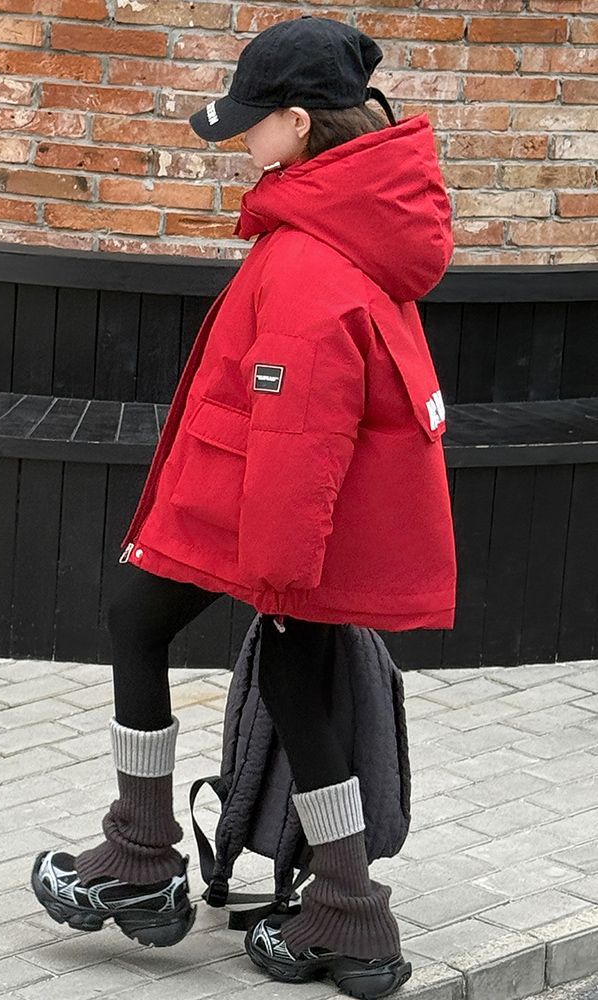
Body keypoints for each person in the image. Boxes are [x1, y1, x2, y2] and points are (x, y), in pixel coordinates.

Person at [31, 15, 456, 1000]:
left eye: (252, 122)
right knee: (298, 688)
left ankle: (144, 853)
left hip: (268, 518)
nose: (240, 140)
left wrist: (277, 575)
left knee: (137, 618)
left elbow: (300, 431)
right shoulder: (350, 218)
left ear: (299, 123)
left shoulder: (312, 257)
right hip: (281, 514)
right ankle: (348, 910)